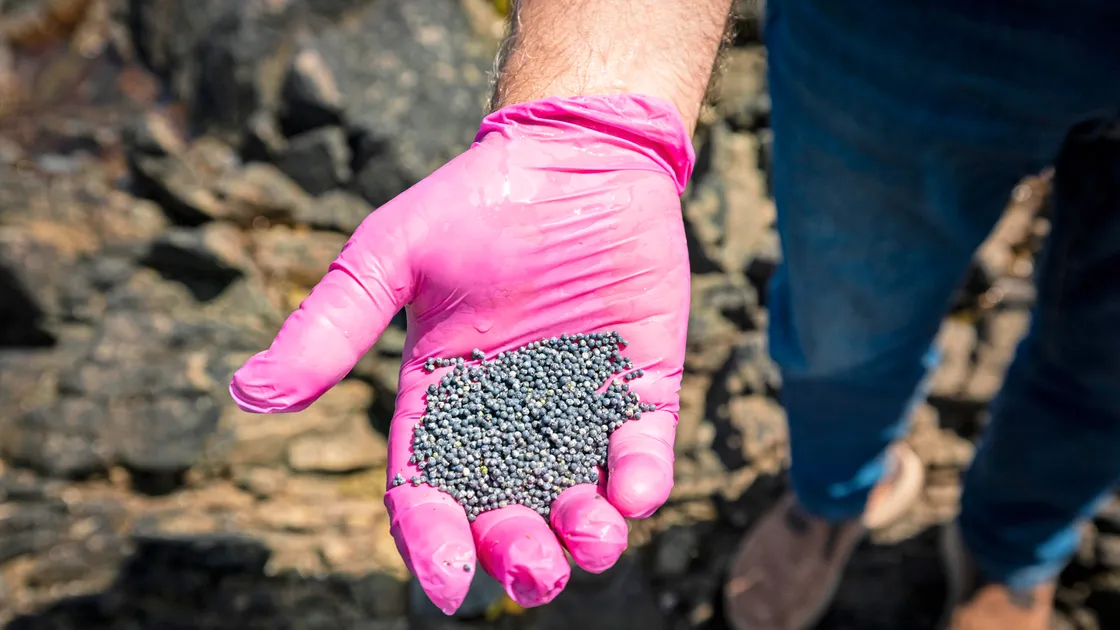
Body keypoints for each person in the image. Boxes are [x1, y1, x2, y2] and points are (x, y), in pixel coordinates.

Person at [228, 1, 1120, 628]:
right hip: (910, 29)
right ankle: (832, 495)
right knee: (846, 330)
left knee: (1108, 370)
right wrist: (593, 119)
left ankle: (1015, 550)